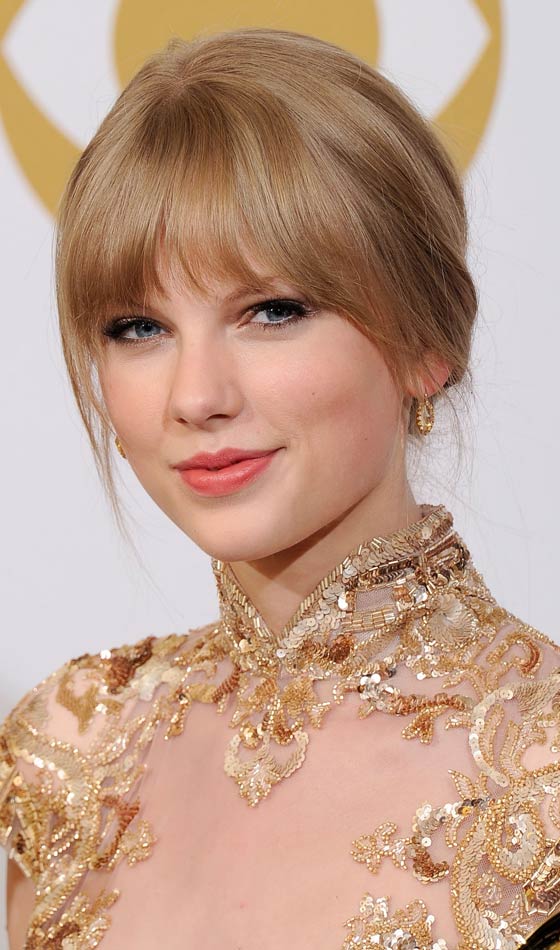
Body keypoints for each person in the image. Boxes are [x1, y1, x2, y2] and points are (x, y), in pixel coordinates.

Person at [1, 25, 559, 950]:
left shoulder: (542, 776)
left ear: (428, 343)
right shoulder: (67, 754)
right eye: (139, 328)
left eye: (273, 311)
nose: (195, 397)